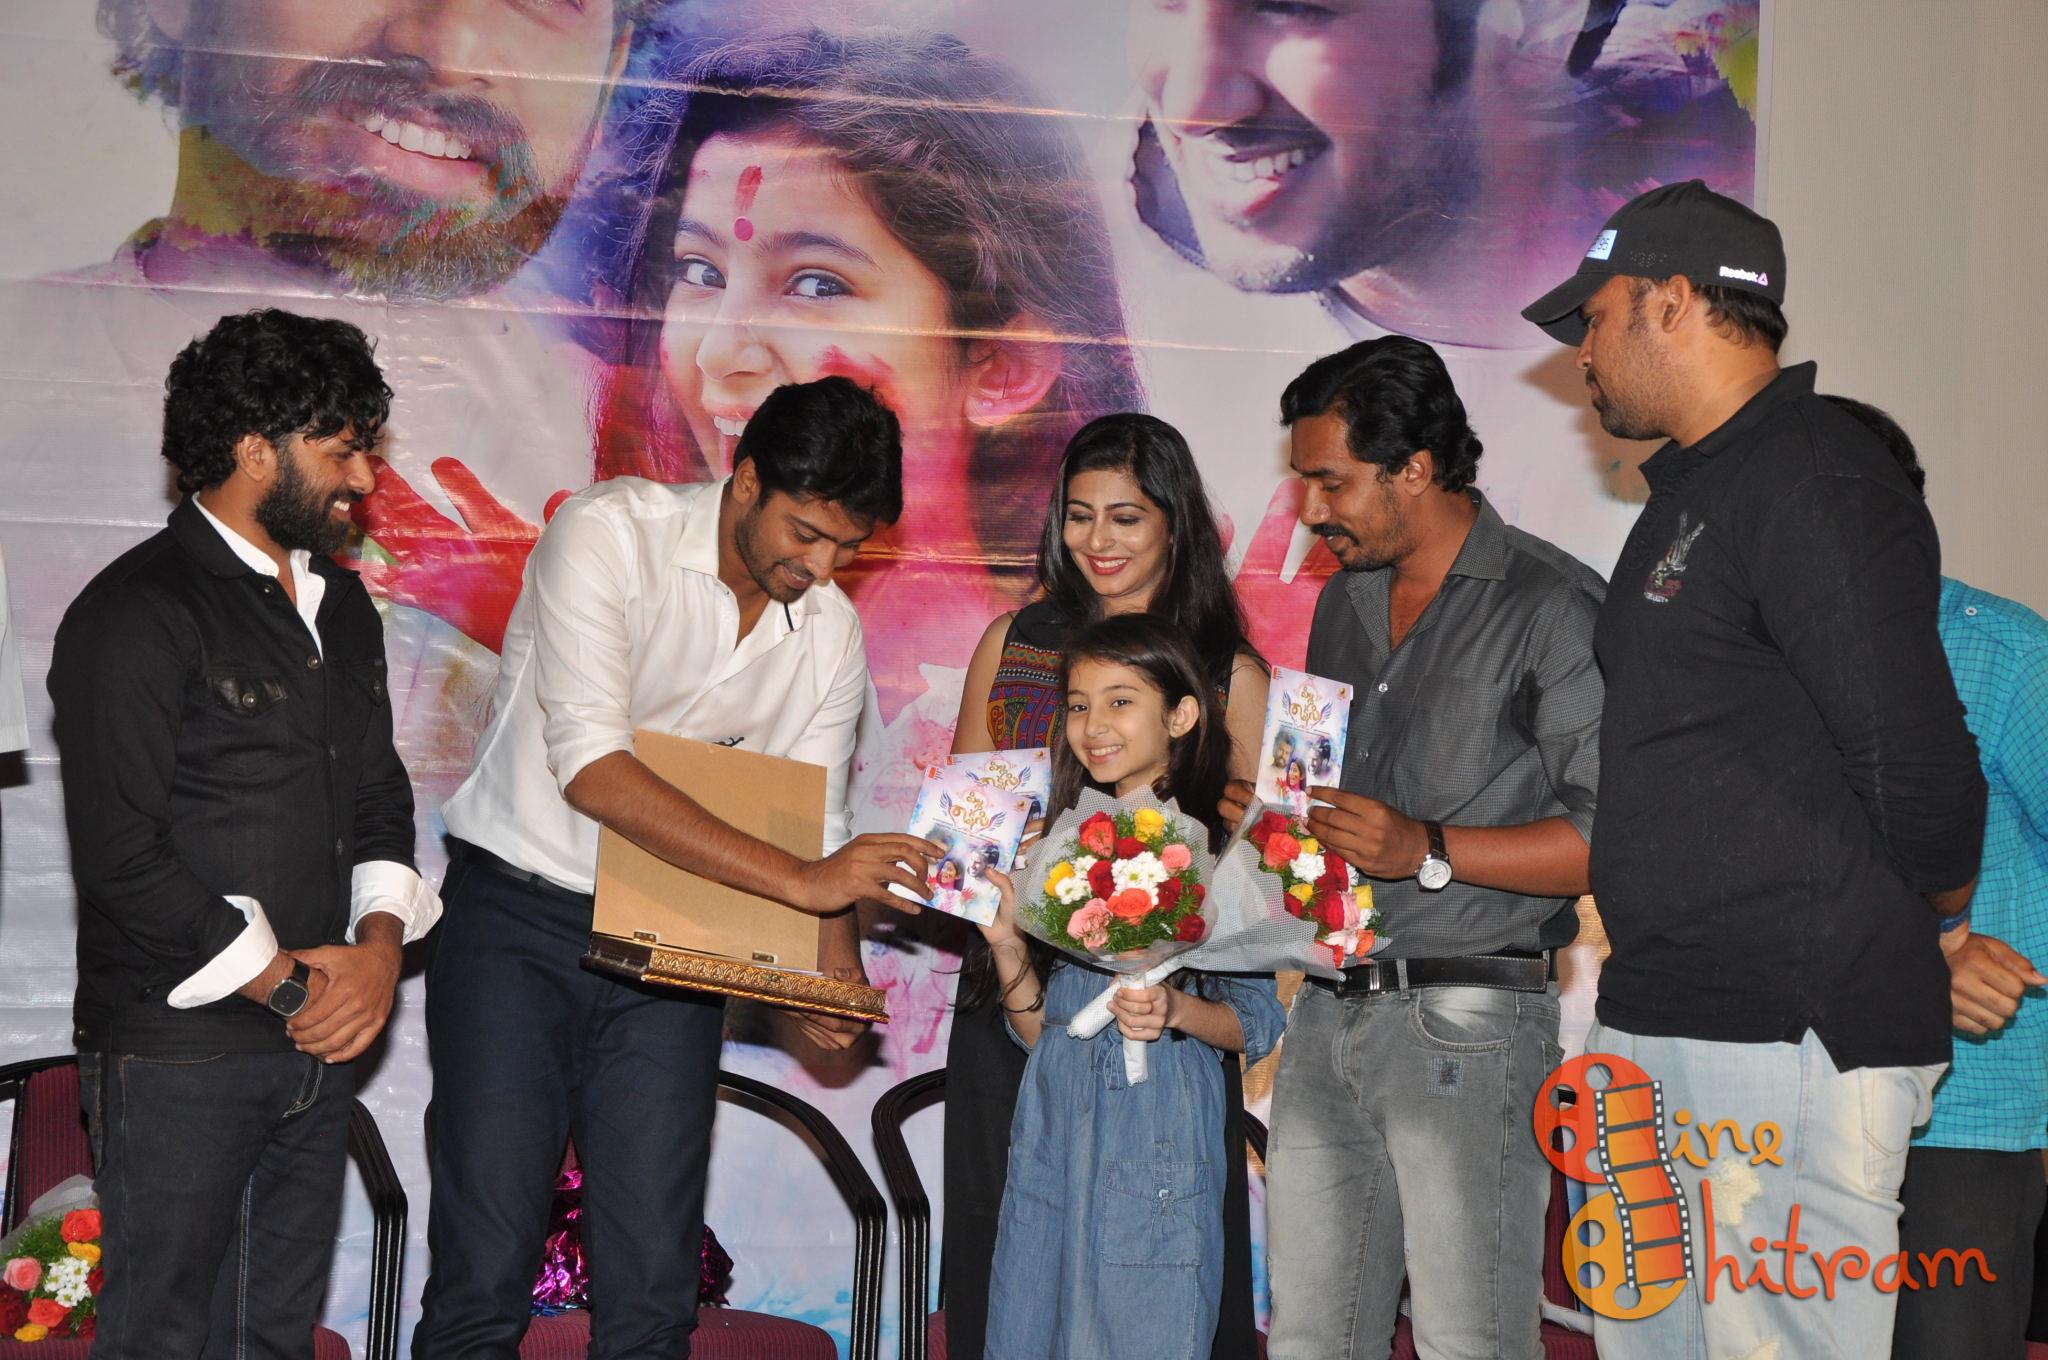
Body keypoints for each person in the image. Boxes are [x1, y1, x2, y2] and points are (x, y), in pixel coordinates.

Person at [1522, 181, 1988, 1359]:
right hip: (1660, 1013)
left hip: (1786, 1032)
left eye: (1594, 317)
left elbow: (1914, 755)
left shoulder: (1817, 477)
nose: (1582, 351)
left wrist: (1936, 921)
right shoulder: (1700, 488)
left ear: (1671, 302)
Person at [413, 375, 937, 1358]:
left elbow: (814, 824)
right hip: (518, 925)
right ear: (747, 480)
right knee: (484, 1275)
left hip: (674, 946)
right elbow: (594, 770)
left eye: (846, 547)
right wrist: (805, 882)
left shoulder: (828, 632)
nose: (822, 566)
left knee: (654, 1289)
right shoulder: (609, 535)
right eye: (806, 533)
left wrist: (832, 976)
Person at [46, 309, 440, 1358]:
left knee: (272, 1338)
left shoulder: (340, 607)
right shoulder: (135, 611)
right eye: (341, 448)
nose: (364, 476)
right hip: (178, 1051)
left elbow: (378, 796)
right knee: (164, 1337)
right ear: (255, 449)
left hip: (315, 1045)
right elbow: (122, 857)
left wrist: (378, 953)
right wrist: (295, 988)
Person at [1228, 334, 1604, 1360]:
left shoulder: (1551, 605)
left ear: (1414, 469)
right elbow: (1332, 810)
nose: (1310, 509)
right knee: (1309, 1338)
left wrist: (1426, 848)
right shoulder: (1342, 602)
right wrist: (1274, 822)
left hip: (1469, 1014)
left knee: (1468, 1338)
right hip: (1328, 1006)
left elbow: (1608, 838)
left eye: (1330, 481)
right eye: (1304, 481)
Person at [593, 27, 1144, 719]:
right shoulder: (633, 616)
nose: (717, 353)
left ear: (1002, 368)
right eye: (700, 272)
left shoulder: (1062, 704)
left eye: (816, 285)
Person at [945, 412, 1270, 1360]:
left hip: (1163, 1012)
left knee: (1161, 1269)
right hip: (1017, 990)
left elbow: (1255, 859)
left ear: (1177, 523)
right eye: (1080, 515)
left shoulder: (1224, 668)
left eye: (1126, 517)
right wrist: (995, 859)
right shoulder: (1015, 640)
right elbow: (967, 823)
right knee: (1007, 1254)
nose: (1099, 540)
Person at [975, 614, 1286, 1360]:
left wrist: (1175, 1009)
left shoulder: (1225, 850)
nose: (1093, 726)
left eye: (1121, 701)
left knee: (1144, 1325)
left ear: (1181, 715)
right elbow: (1045, 1033)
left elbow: (1257, 1021)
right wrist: (1008, 943)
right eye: (1078, 705)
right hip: (1055, 1120)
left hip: (1158, 1121)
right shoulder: (1058, 845)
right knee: (1032, 1326)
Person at [1822, 396, 2047, 1360]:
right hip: (1799, 1096)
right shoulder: (1758, 662)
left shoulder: (2004, 653)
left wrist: (1951, 955)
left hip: (1965, 1109)